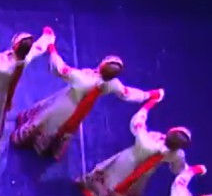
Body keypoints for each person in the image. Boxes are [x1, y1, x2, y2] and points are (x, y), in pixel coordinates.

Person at [11, 43, 160, 160]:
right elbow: (128, 93)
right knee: (62, 128)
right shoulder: (113, 84)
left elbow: (61, 69)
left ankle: (24, 139)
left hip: (66, 103)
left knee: (46, 119)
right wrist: (148, 95)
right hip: (80, 109)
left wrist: (52, 49)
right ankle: (51, 147)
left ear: (102, 65)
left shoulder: (83, 79)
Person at [78, 92, 190, 196]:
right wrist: (189, 171)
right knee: (128, 191)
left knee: (113, 179)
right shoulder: (176, 154)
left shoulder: (147, 142)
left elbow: (138, 123)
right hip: (141, 172)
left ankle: (95, 188)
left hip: (129, 163)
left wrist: (148, 105)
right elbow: (178, 168)